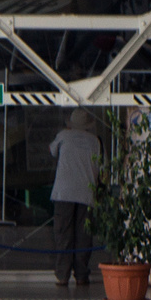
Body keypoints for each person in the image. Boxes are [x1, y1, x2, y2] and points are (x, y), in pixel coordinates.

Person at [49, 109, 101, 287]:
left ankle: (62, 276)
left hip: (64, 193)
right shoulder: (95, 142)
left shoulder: (64, 136)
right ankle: (81, 275)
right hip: (86, 193)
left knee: (63, 234)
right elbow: (102, 167)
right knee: (83, 236)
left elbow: (52, 151)